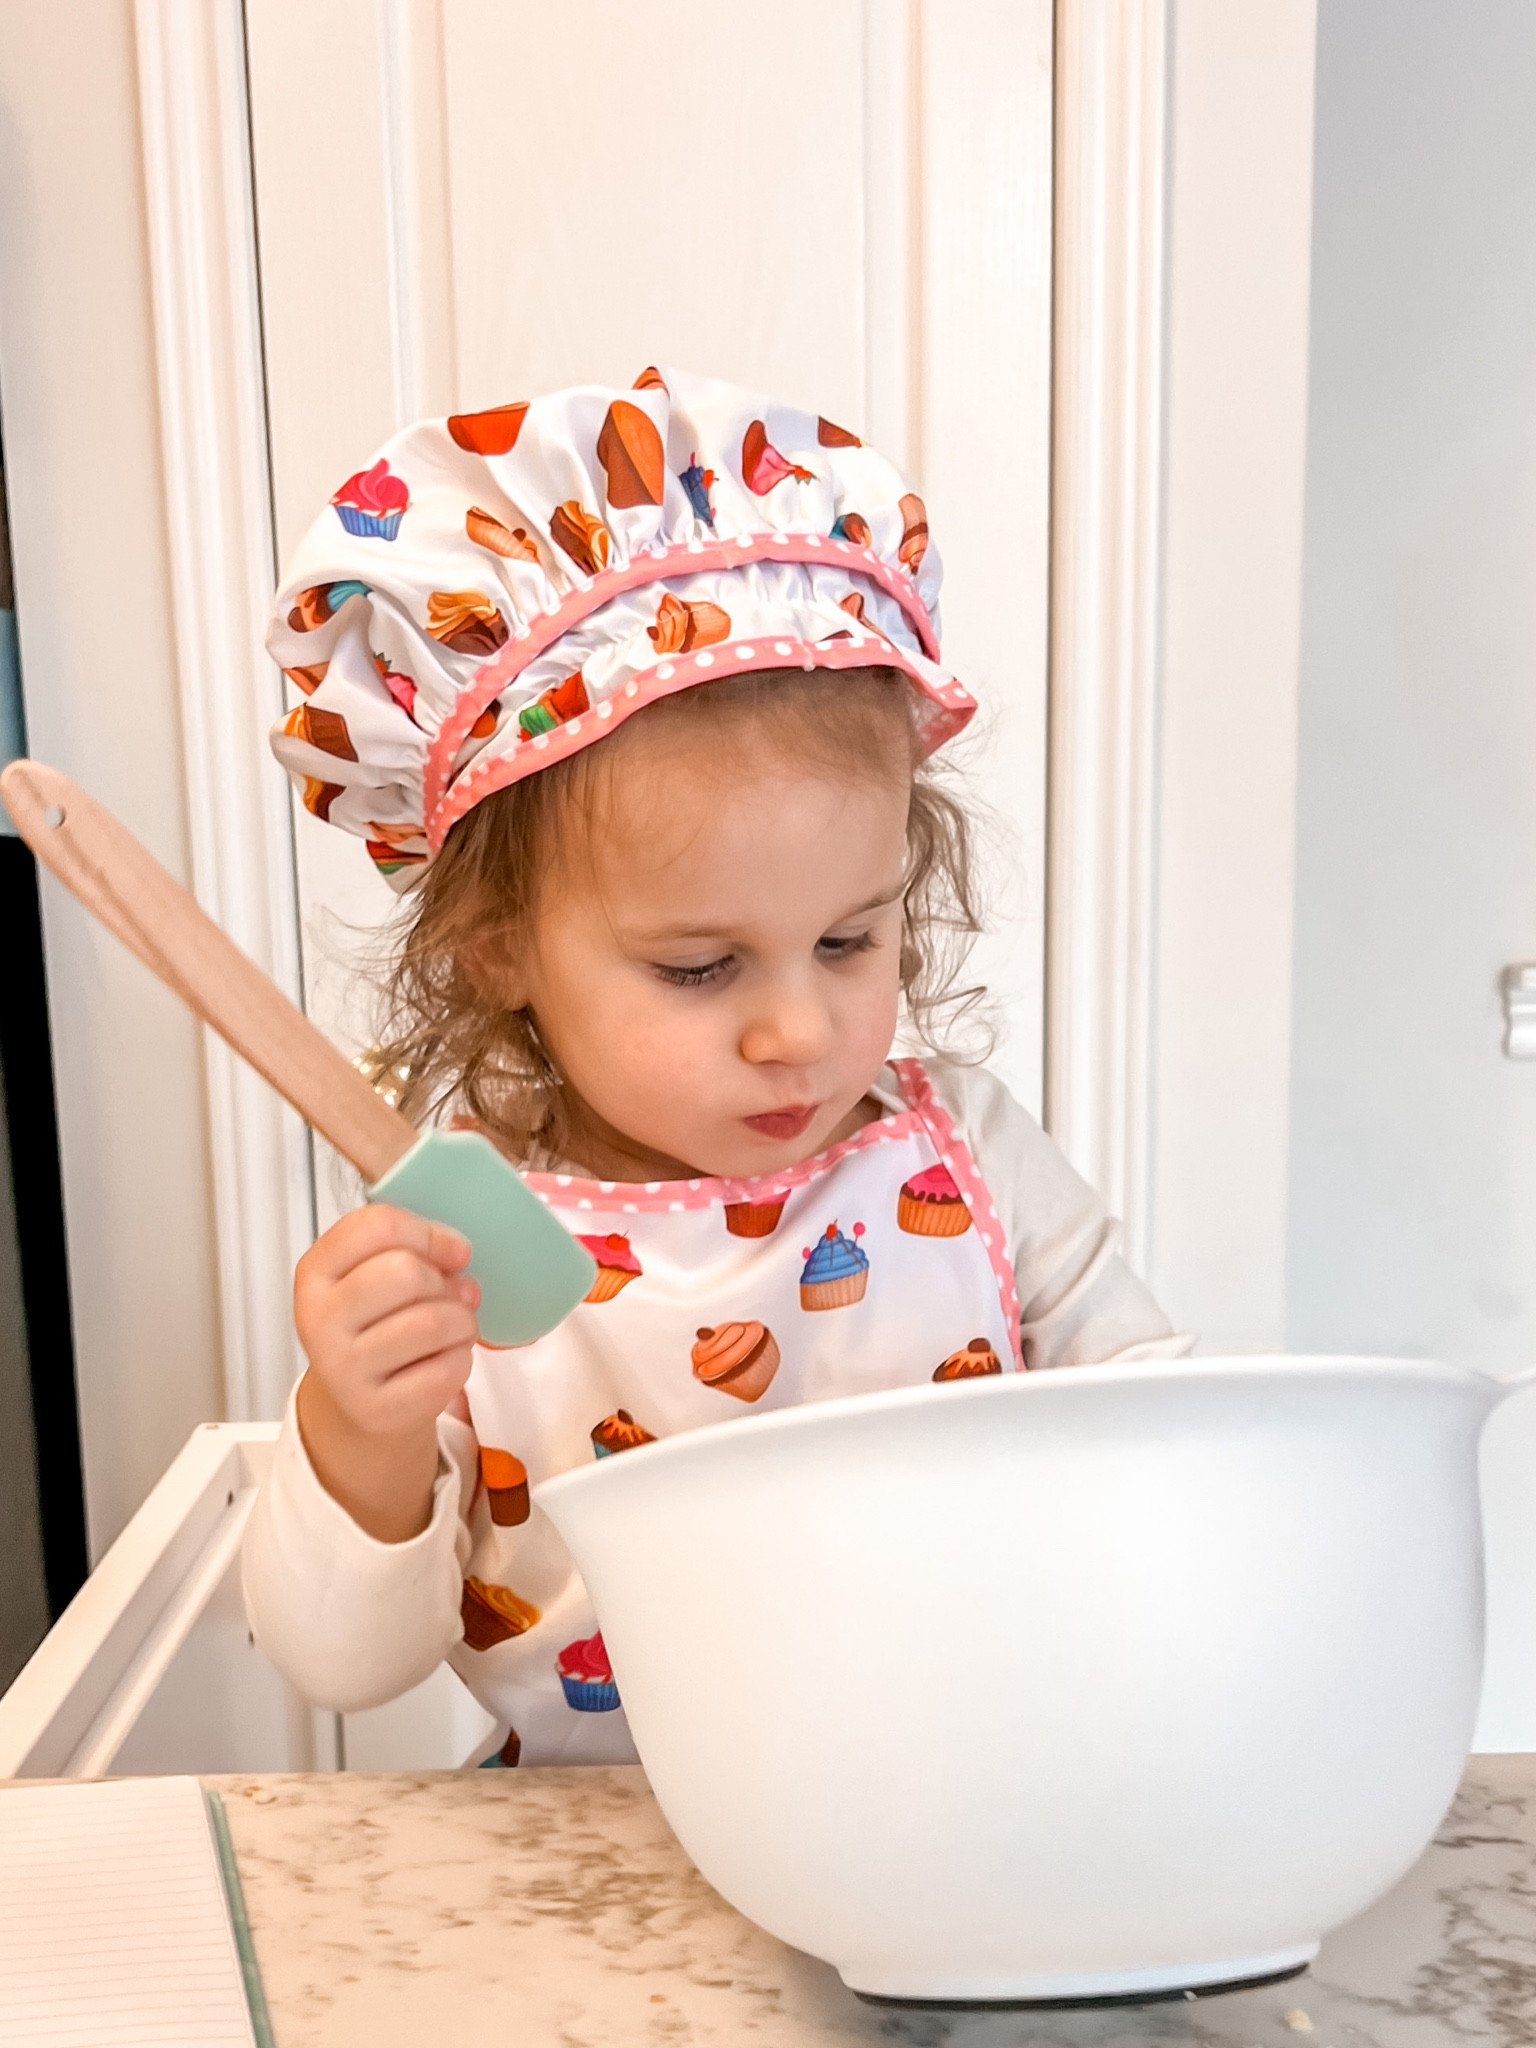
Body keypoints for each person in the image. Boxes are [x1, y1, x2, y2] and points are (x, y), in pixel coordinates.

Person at [243, 368, 1189, 1767]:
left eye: (852, 939)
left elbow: (1165, 1449)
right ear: (497, 947)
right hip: (599, 1881)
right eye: (700, 968)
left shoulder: (967, 1160)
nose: (798, 1031)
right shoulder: (457, 1250)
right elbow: (345, 1667)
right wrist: (361, 1430)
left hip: (969, 1808)